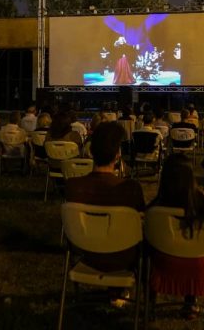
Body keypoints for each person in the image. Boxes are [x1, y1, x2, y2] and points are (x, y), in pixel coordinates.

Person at [65, 122, 145, 305]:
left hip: (85, 254)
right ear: (118, 155)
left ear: (91, 152)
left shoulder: (73, 187)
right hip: (123, 256)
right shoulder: (130, 189)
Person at [147, 154, 204, 320]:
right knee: (194, 245)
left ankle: (149, 303)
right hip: (199, 264)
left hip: (166, 262)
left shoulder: (157, 207)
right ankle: (190, 301)